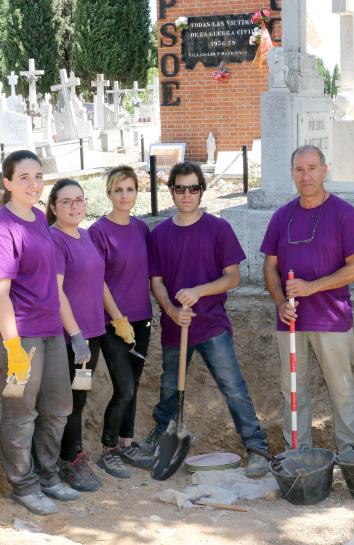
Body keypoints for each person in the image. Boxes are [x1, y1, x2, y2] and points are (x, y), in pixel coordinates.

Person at [138, 161, 270, 477]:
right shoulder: (160, 234)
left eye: (193, 188)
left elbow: (232, 277)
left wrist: (198, 291)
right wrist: (170, 309)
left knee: (233, 387)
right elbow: (155, 281)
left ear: (201, 191)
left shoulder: (218, 229)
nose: (186, 195)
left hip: (211, 325)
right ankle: (162, 437)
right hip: (175, 327)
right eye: (180, 188)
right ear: (171, 191)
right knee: (169, 388)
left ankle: (257, 449)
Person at [0, 150, 77, 516]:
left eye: (38, 176)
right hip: (13, 334)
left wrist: (73, 332)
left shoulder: (37, 217)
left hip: (49, 331)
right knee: (21, 412)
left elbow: (49, 279)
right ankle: (24, 485)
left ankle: (49, 475)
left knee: (58, 407)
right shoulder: (1, 230)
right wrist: (14, 347)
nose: (34, 184)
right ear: (7, 184)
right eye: (24, 178)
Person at [261, 145, 354, 453]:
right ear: (292, 174)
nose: (305, 175)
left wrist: (312, 287)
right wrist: (280, 301)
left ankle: (352, 454)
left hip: (331, 320)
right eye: (299, 169)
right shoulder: (282, 216)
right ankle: (299, 455)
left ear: (325, 169)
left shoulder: (344, 214)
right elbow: (270, 266)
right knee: (293, 391)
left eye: (311, 168)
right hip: (291, 322)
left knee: (342, 391)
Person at [88, 166, 153, 475]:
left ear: (136, 193)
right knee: (124, 387)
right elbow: (97, 280)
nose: (124, 196)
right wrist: (117, 317)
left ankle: (128, 443)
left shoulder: (142, 228)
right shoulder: (98, 232)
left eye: (129, 189)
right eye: (118, 190)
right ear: (109, 194)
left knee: (135, 385)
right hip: (113, 323)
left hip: (142, 320)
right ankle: (109, 447)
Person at [47, 178, 106, 492]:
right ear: (54, 206)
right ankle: (68, 458)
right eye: (66, 201)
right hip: (71, 337)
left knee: (80, 396)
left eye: (79, 200)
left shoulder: (86, 235)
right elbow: (56, 292)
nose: (74, 206)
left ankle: (73, 453)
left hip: (93, 333)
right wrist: (76, 335)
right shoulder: (55, 239)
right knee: (68, 399)